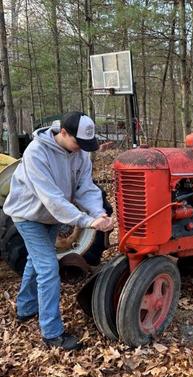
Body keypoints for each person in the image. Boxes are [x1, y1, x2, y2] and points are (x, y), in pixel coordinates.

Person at [3, 111, 113, 350]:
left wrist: (98, 212)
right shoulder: (36, 152)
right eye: (77, 142)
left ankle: (25, 307)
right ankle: (52, 333)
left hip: (51, 217)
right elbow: (51, 197)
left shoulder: (80, 153)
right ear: (63, 132)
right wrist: (86, 221)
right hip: (27, 215)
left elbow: (85, 186)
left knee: (37, 260)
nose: (80, 148)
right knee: (48, 268)